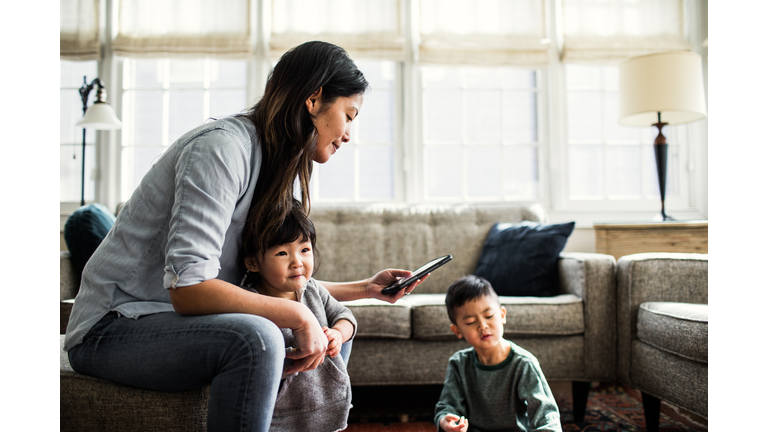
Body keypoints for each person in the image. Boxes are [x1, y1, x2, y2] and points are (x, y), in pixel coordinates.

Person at [64, 41, 424, 432]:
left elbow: (281, 279)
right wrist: (296, 314)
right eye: (349, 115)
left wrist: (367, 289)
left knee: (328, 331)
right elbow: (189, 289)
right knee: (259, 338)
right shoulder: (222, 149)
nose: (350, 133)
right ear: (314, 99)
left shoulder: (276, 168)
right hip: (113, 326)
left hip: (169, 321)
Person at [239, 198, 356, 431]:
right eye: (282, 253)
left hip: (325, 400)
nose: (297, 262)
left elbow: (345, 316)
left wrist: (338, 334)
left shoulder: (312, 290)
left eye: (304, 250)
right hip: (278, 410)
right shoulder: (250, 302)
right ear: (253, 262)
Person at [435, 275, 562, 432]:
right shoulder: (458, 363)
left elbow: (546, 416)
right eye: (470, 322)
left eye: (489, 316)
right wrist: (446, 419)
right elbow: (448, 406)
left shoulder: (523, 363)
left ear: (502, 315)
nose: (483, 326)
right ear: (457, 330)